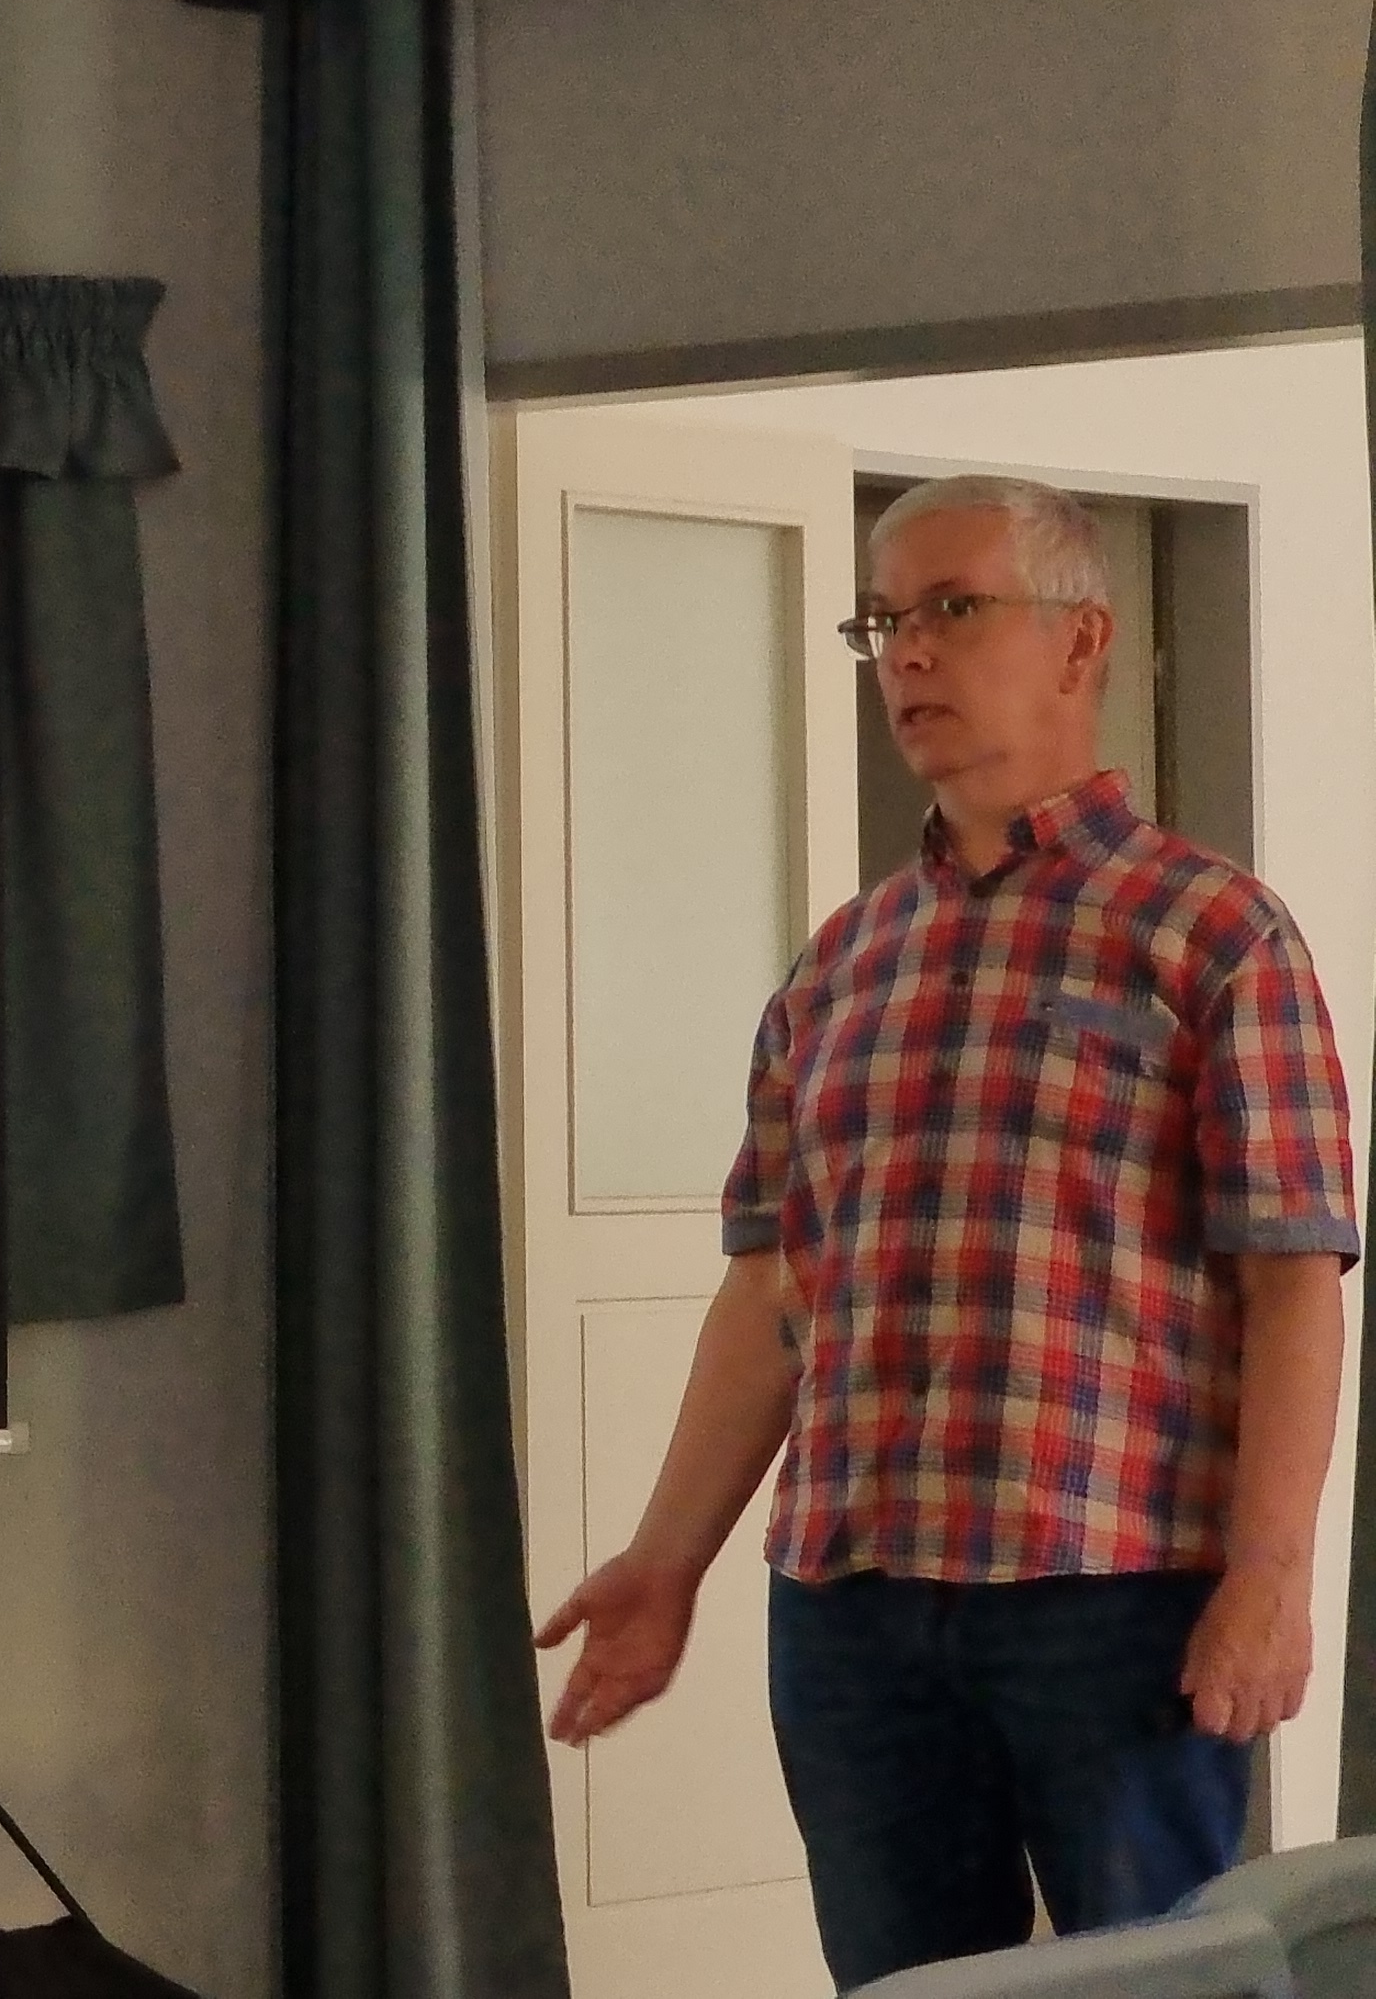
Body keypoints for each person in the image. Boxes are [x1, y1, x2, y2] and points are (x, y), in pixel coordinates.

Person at [533, 474, 1360, 1991]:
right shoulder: (842, 964)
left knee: (1155, 1986)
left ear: (1080, 639)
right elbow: (772, 1295)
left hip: (1114, 1597)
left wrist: (1273, 1580)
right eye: (883, 622)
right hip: (852, 1607)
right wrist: (665, 1562)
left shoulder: (1213, 933)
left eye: (952, 609)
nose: (907, 652)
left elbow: (1293, 1287)